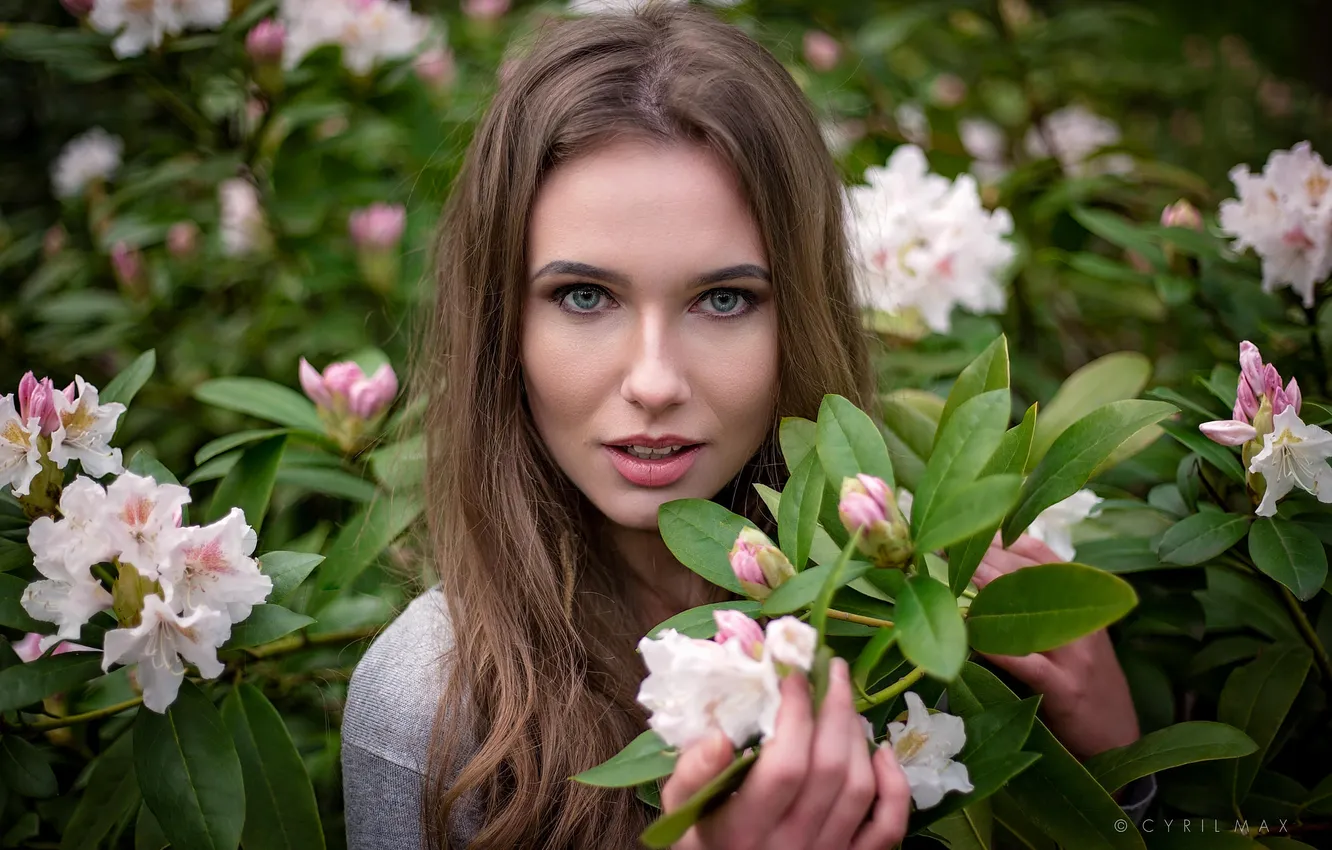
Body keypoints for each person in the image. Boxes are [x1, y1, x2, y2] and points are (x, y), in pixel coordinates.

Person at [340, 3, 1151, 848]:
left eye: (724, 299)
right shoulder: (427, 707)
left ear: (799, 316)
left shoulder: (920, 627)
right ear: (503, 324)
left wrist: (1117, 776)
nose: (654, 382)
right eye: (585, 296)